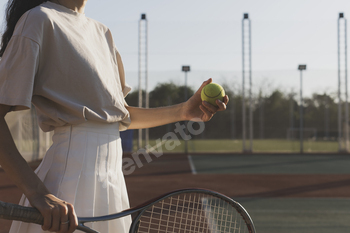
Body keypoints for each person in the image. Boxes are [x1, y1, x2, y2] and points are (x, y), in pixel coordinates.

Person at [0, 0, 229, 233]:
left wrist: (183, 111)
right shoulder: (39, 19)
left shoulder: (102, 32)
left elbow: (118, 116)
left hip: (112, 183)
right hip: (66, 186)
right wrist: (38, 193)